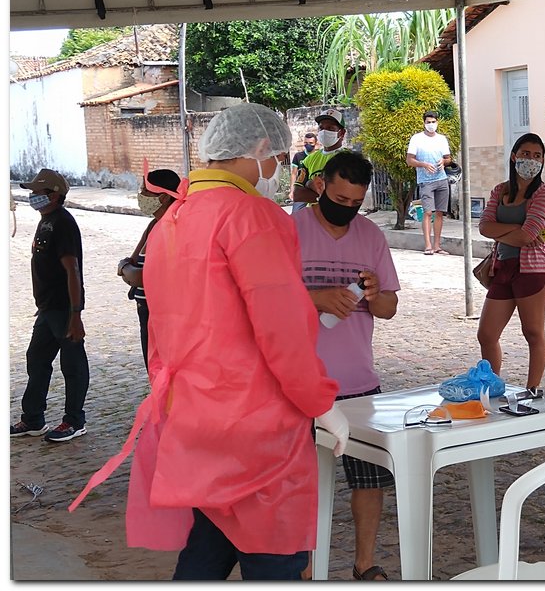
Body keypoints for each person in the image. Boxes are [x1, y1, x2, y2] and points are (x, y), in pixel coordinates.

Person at [69, 103, 348, 581]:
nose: (278, 169)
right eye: (278, 157)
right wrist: (320, 402)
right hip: (255, 424)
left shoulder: (174, 218)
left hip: (194, 413)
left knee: (210, 539)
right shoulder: (252, 216)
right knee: (273, 555)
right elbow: (282, 325)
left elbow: (160, 328)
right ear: (260, 150)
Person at [293, 150, 400, 581]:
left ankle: (364, 562)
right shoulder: (289, 230)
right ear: (321, 186)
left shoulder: (371, 237)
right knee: (301, 483)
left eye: (356, 203)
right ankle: (302, 569)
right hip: (298, 382)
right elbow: (260, 300)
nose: (347, 209)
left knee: (369, 480)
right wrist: (315, 298)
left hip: (358, 381)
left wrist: (375, 294)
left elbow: (390, 307)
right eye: (339, 198)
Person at [10, 168, 90, 442]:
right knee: (37, 359)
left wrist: (75, 314)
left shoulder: (62, 223)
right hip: (47, 309)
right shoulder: (46, 220)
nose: (32, 197)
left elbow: (72, 270)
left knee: (73, 365)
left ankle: (74, 421)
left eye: (37, 193)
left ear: (54, 196)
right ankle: (33, 418)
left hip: (64, 309)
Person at [477, 133, 545, 390]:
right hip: (502, 267)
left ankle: (532, 389)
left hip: (533, 270)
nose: (531, 160)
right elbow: (484, 227)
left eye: (537, 156)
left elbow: (526, 236)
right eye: (525, 154)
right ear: (514, 156)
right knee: (487, 334)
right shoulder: (500, 190)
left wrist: (509, 231)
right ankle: (492, 385)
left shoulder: (544, 195)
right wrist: (516, 228)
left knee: (532, 332)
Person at [117, 168, 180, 372]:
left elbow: (138, 275)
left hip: (164, 313)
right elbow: (132, 262)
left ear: (162, 197)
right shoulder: (154, 224)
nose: (141, 196)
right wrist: (128, 268)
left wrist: (126, 268)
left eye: (145, 191)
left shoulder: (173, 226)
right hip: (146, 309)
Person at [406, 110, 452, 254]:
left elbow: (449, 158)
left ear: (437, 122)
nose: (431, 125)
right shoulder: (417, 139)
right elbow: (409, 160)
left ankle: (437, 245)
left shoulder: (442, 139)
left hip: (441, 179)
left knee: (440, 213)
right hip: (426, 181)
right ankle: (428, 245)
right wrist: (424, 165)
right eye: (428, 122)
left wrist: (443, 161)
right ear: (424, 123)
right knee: (427, 212)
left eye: (433, 122)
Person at [293, 109, 347, 207]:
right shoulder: (308, 160)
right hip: (312, 217)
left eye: (330, 128)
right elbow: (297, 195)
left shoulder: (348, 159)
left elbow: (344, 195)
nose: (324, 132)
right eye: (321, 128)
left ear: (341, 133)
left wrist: (309, 184)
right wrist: (325, 193)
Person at [290, 132, 318, 213]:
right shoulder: (298, 156)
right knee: (295, 215)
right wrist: (292, 190)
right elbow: (294, 174)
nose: (308, 145)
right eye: (306, 143)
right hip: (301, 189)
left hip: (315, 190)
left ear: (315, 143)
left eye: (311, 143)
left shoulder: (319, 156)